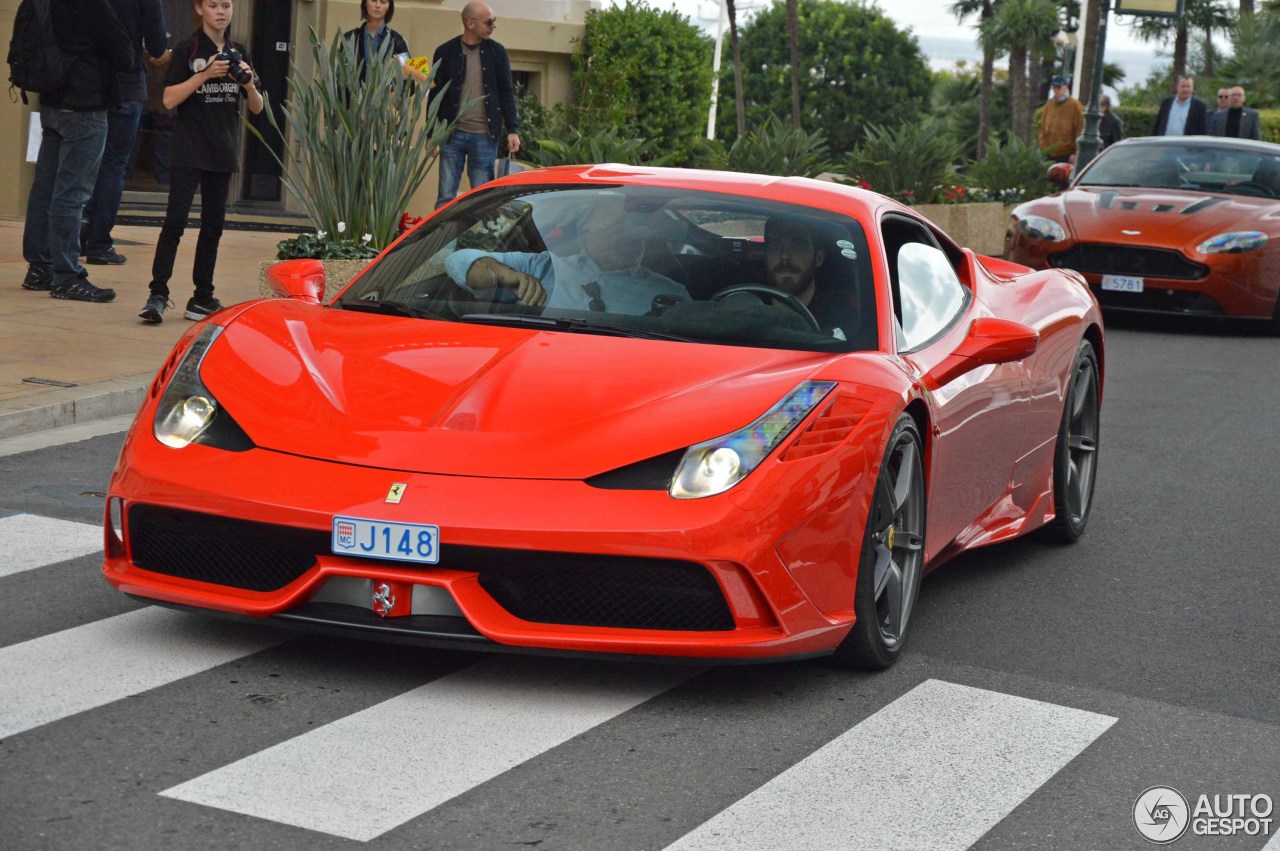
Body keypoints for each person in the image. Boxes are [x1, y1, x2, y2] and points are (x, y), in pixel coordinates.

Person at [138, 0, 264, 324]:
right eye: (213, 5)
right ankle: (158, 294)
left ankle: (202, 297)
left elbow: (258, 107)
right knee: (175, 223)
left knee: (213, 227)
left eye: (226, 5)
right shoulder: (187, 49)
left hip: (222, 151)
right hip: (189, 149)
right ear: (199, 9)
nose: (220, 12)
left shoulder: (239, 52)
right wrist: (206, 74)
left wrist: (247, 83)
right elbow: (168, 99)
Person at [19, 0, 135, 302]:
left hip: (51, 101)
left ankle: (39, 268)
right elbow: (125, 54)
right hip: (85, 104)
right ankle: (67, 276)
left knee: (44, 188)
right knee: (72, 194)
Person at [443, 201, 689, 315]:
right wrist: (506, 275)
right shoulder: (544, 267)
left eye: (636, 231)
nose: (630, 238)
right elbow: (459, 261)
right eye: (616, 229)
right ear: (584, 233)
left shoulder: (670, 292)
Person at [80, 0, 169, 266]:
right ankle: (99, 244)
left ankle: (76, 235)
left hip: (89, 83)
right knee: (114, 164)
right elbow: (157, 47)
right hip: (127, 83)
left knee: (85, 162)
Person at [430, 2, 521, 208]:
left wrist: (513, 130)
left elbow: (506, 92)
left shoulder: (497, 52)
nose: (494, 25)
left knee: (483, 199)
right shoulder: (445, 51)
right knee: (445, 197)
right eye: (489, 22)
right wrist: (431, 135)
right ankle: (445, 241)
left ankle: (482, 239)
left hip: (485, 135)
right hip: (451, 135)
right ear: (470, 23)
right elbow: (435, 94)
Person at [762, 215, 859, 341]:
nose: (785, 256)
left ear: (818, 258)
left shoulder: (845, 319)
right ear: (765, 256)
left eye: (799, 245)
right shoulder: (743, 309)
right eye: (775, 245)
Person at [342, 0, 428, 83]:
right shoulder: (349, 38)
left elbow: (409, 83)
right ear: (365, 3)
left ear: (389, 7)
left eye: (383, 2)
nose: (377, 5)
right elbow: (341, 76)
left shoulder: (398, 41)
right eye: (373, 0)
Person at [1038, 75, 1084, 164]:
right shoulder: (1050, 103)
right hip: (1048, 154)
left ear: (1066, 87)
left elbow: (1080, 129)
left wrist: (1075, 153)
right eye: (1054, 87)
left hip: (1066, 155)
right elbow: (1042, 127)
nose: (1056, 90)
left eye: (1058, 87)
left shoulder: (1075, 105)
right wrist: (1042, 147)